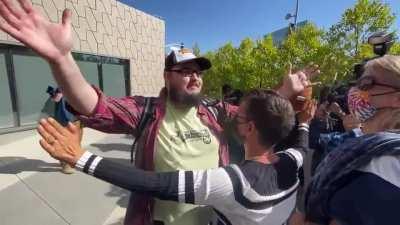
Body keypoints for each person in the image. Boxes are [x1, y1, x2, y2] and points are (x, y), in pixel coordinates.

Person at [0, 1, 318, 224]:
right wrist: (61, 59)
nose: (195, 77)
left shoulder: (214, 110)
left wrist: (285, 90)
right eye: (185, 71)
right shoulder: (147, 110)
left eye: (199, 72)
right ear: (167, 76)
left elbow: (256, 117)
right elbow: (95, 106)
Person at [38, 89, 313, 225]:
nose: (233, 118)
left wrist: (81, 157)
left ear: (250, 128)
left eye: (238, 116)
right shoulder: (292, 161)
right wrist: (304, 121)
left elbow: (154, 184)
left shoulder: (234, 183)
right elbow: (301, 143)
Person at [305, 55, 400, 225]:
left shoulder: (379, 170)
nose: (355, 92)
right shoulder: (375, 151)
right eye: (357, 84)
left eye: (367, 84)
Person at [44, 86, 82, 174]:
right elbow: (56, 100)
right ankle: (66, 163)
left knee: (76, 141)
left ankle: (68, 161)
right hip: (66, 119)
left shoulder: (75, 88)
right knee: (67, 141)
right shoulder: (61, 89)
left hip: (75, 118)